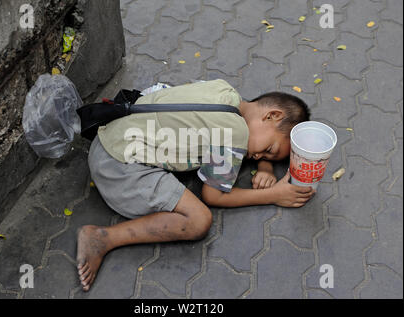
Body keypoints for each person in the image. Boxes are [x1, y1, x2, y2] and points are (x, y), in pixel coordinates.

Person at [76, 79, 315, 292]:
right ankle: (103, 238)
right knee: (198, 220)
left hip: (109, 133)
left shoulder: (225, 91)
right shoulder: (235, 135)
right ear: (272, 115)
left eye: (268, 157)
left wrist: (265, 166)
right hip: (117, 168)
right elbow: (214, 196)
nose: (256, 157)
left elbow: (243, 141)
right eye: (268, 151)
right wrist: (274, 195)